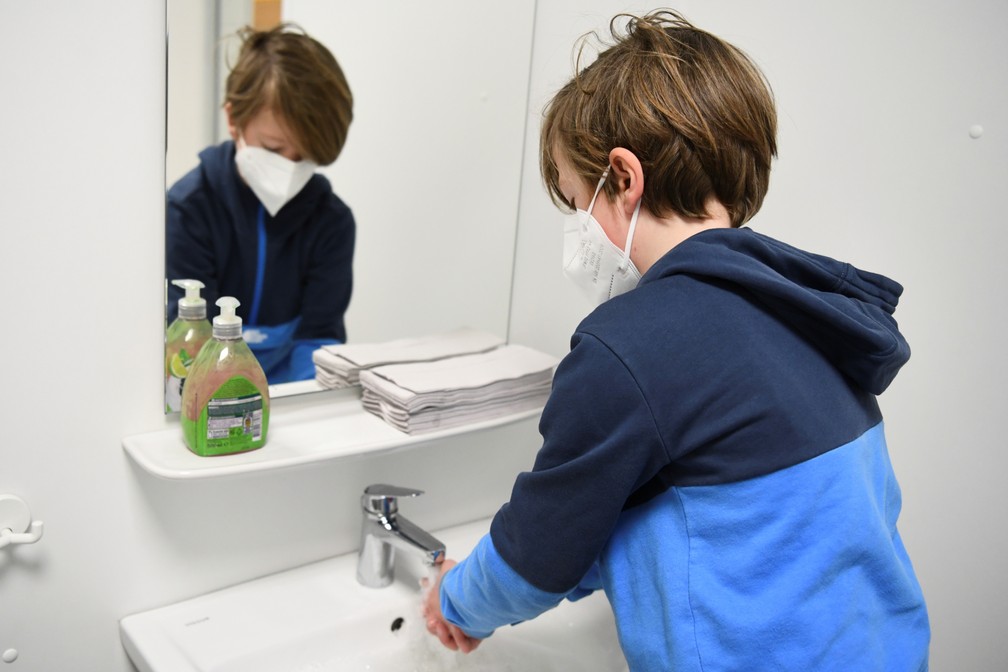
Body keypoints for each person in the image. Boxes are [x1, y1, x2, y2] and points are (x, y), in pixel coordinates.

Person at [423, 10, 930, 671]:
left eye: (578, 201)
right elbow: (706, 517)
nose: (578, 228)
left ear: (623, 178)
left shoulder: (628, 347)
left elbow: (538, 554)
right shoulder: (806, 312)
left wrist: (456, 602)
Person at [166, 23, 354, 384]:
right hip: (206, 391)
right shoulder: (188, 211)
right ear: (234, 118)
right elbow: (189, 345)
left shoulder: (333, 222)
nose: (291, 167)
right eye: (274, 149)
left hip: (293, 390)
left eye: (307, 156)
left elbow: (318, 340)